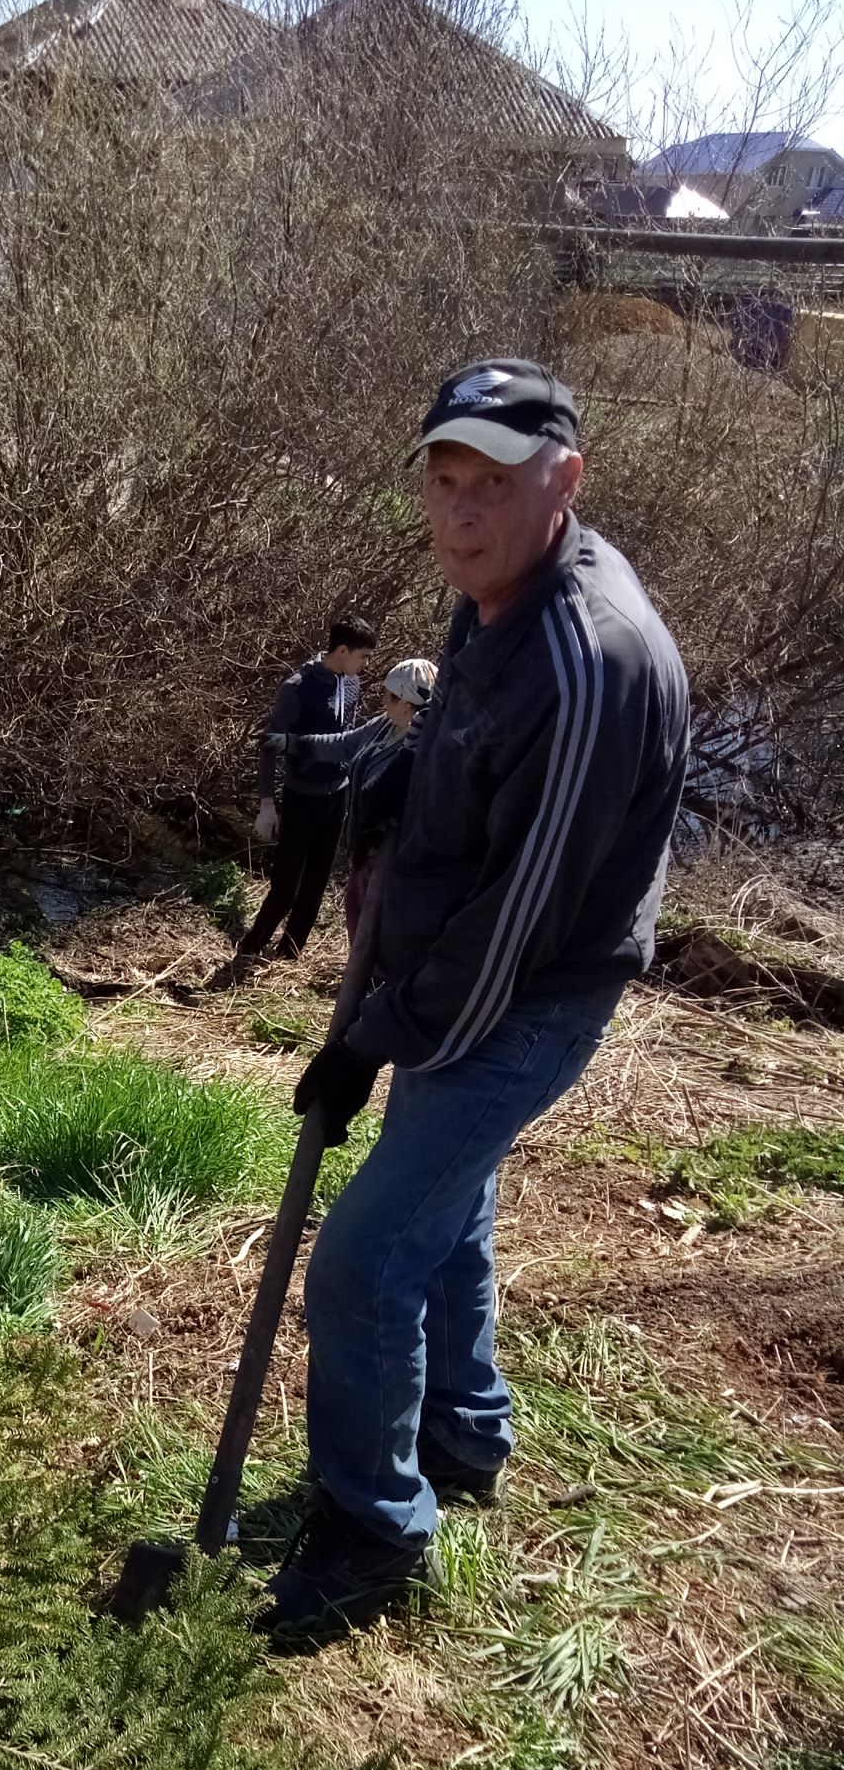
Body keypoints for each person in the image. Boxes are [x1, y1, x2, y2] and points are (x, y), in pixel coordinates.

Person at [265, 357, 690, 1642]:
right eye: (444, 482)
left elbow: (517, 925)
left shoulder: (584, 660)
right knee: (450, 1213)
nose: (460, 513)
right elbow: (477, 763)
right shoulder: (497, 590)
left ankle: (378, 1527)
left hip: (524, 1001)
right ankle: (463, 1434)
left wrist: (370, 1041)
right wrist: (414, 775)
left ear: (565, 478)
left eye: (492, 484)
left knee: (363, 1259)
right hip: (468, 974)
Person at [229, 613, 379, 974]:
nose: (365, 664)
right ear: (342, 650)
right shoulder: (298, 686)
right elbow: (268, 746)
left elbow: (347, 739)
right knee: (287, 887)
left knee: (316, 883)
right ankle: (249, 950)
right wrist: (267, 804)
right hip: (301, 796)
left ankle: (289, 956)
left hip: (335, 796)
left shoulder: (352, 684)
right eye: (362, 656)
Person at [266, 655, 438, 939]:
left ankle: (368, 981)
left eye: (390, 696)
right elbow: (344, 744)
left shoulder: (423, 750)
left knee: (375, 926)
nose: (384, 700)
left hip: (391, 855)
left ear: (407, 704)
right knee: (358, 917)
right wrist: (293, 744)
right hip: (367, 850)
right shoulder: (386, 726)